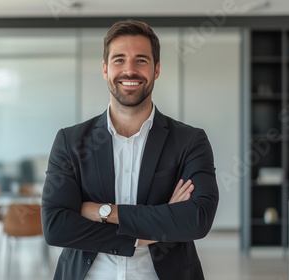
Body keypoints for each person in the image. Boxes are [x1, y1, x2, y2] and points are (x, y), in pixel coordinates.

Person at [41, 19, 219, 280]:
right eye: (119, 60)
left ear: (156, 69)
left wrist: (102, 212)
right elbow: (56, 227)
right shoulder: (70, 141)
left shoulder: (190, 141)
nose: (130, 70)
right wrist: (151, 228)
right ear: (105, 69)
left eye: (141, 60)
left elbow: (197, 219)